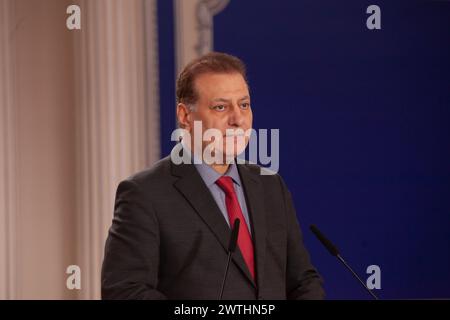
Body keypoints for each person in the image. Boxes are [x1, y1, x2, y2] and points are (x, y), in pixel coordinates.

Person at [101, 52, 325, 299]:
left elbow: (303, 281)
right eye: (220, 107)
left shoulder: (270, 185)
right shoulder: (145, 194)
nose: (237, 119)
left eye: (244, 105)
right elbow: (124, 291)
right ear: (185, 116)